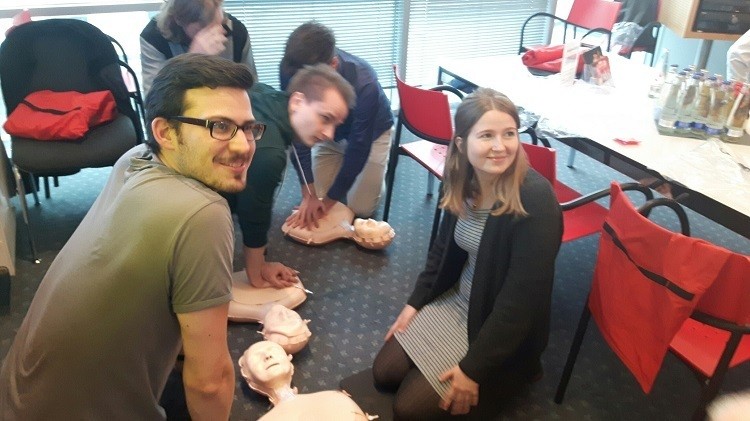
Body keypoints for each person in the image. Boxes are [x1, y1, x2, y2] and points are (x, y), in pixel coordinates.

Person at [0, 53, 259, 419]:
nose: (243, 145)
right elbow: (209, 382)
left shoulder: (135, 157)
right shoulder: (204, 214)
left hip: (18, 397)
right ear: (165, 132)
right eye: (219, 126)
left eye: (248, 128)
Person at [371, 88, 563, 420]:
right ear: (461, 143)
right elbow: (441, 252)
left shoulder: (536, 200)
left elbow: (520, 303)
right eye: (487, 135)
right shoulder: (461, 178)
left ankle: (513, 376)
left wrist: (473, 369)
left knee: (408, 410)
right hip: (460, 300)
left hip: (498, 322)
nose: (500, 146)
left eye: (509, 134)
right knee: (384, 373)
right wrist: (416, 302)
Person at [225, 63, 355, 289]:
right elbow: (254, 214)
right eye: (325, 118)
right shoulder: (269, 153)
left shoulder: (268, 95)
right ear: (297, 101)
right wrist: (257, 269)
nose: (330, 133)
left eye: (335, 124)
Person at [279, 21, 394, 228]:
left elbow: (359, 146)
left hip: (371, 135)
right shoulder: (291, 68)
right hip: (327, 135)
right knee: (318, 195)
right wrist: (308, 193)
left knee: (360, 208)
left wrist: (329, 202)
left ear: (332, 64)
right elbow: (298, 130)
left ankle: (377, 172)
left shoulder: (365, 83)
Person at [140, 0, 257, 95]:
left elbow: (253, 90)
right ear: (179, 20)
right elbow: (155, 104)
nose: (215, 33)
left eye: (219, 24)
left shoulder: (237, 32)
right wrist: (192, 63)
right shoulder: (153, 38)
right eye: (204, 29)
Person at [238, 341, 374, 420]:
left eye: (273, 350)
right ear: (251, 381)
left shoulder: (335, 398)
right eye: (256, 357)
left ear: (289, 362)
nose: (267, 356)